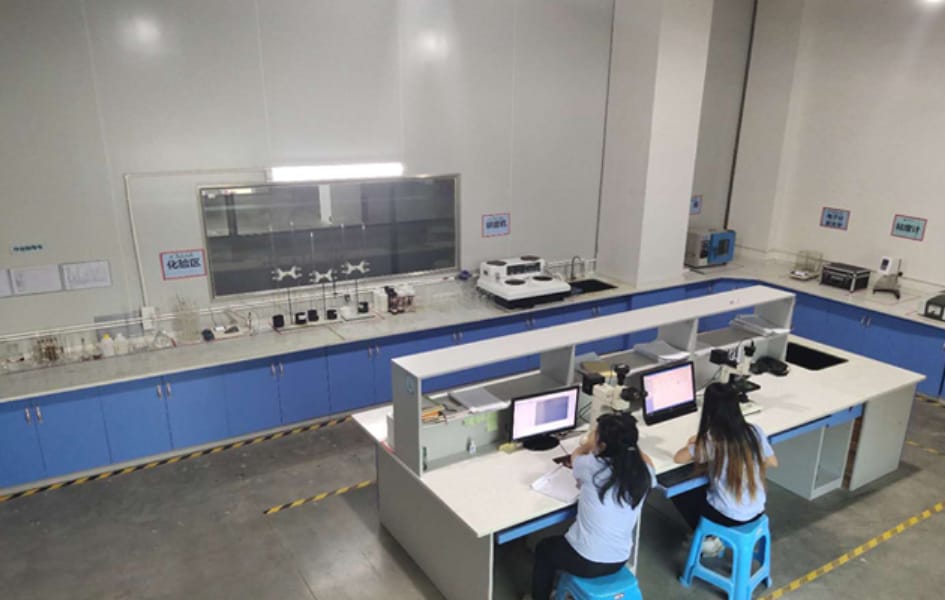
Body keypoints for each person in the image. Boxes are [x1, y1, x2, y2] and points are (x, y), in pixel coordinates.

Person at [530, 412, 655, 600]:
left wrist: (587, 445)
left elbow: (575, 457)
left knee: (544, 548)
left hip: (586, 560)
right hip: (620, 558)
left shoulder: (591, 465)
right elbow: (648, 462)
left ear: (602, 445)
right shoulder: (644, 472)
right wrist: (629, 446)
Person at [671, 382, 778, 555]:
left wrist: (694, 442)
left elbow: (679, 458)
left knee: (679, 491)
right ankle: (712, 536)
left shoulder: (712, 440)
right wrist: (746, 466)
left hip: (727, 515)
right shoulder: (754, 431)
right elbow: (772, 462)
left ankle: (708, 538)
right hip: (757, 510)